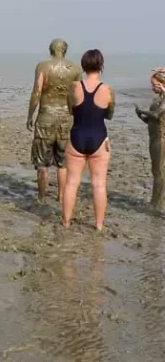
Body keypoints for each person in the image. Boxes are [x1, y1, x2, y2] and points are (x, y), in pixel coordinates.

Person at [61, 49, 115, 231]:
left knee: (71, 183)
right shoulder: (107, 90)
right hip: (99, 138)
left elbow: (70, 109)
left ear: (83, 66)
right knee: (99, 184)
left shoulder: (73, 87)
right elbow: (109, 115)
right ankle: (99, 225)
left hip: (77, 136)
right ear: (101, 66)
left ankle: (66, 222)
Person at [27, 39, 82, 203]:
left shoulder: (43, 66)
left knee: (42, 160)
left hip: (46, 115)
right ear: (65, 50)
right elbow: (76, 96)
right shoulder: (76, 68)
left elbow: (37, 92)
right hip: (67, 117)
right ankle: (61, 195)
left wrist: (30, 115)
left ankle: (42, 196)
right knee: (62, 161)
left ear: (51, 49)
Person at [135, 70, 165, 211]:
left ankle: (156, 203)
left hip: (161, 138)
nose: (152, 87)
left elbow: (157, 115)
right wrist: (140, 116)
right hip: (153, 137)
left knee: (158, 171)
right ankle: (156, 200)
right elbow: (151, 120)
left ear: (161, 84)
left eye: (154, 84)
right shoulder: (157, 99)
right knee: (155, 170)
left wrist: (143, 111)